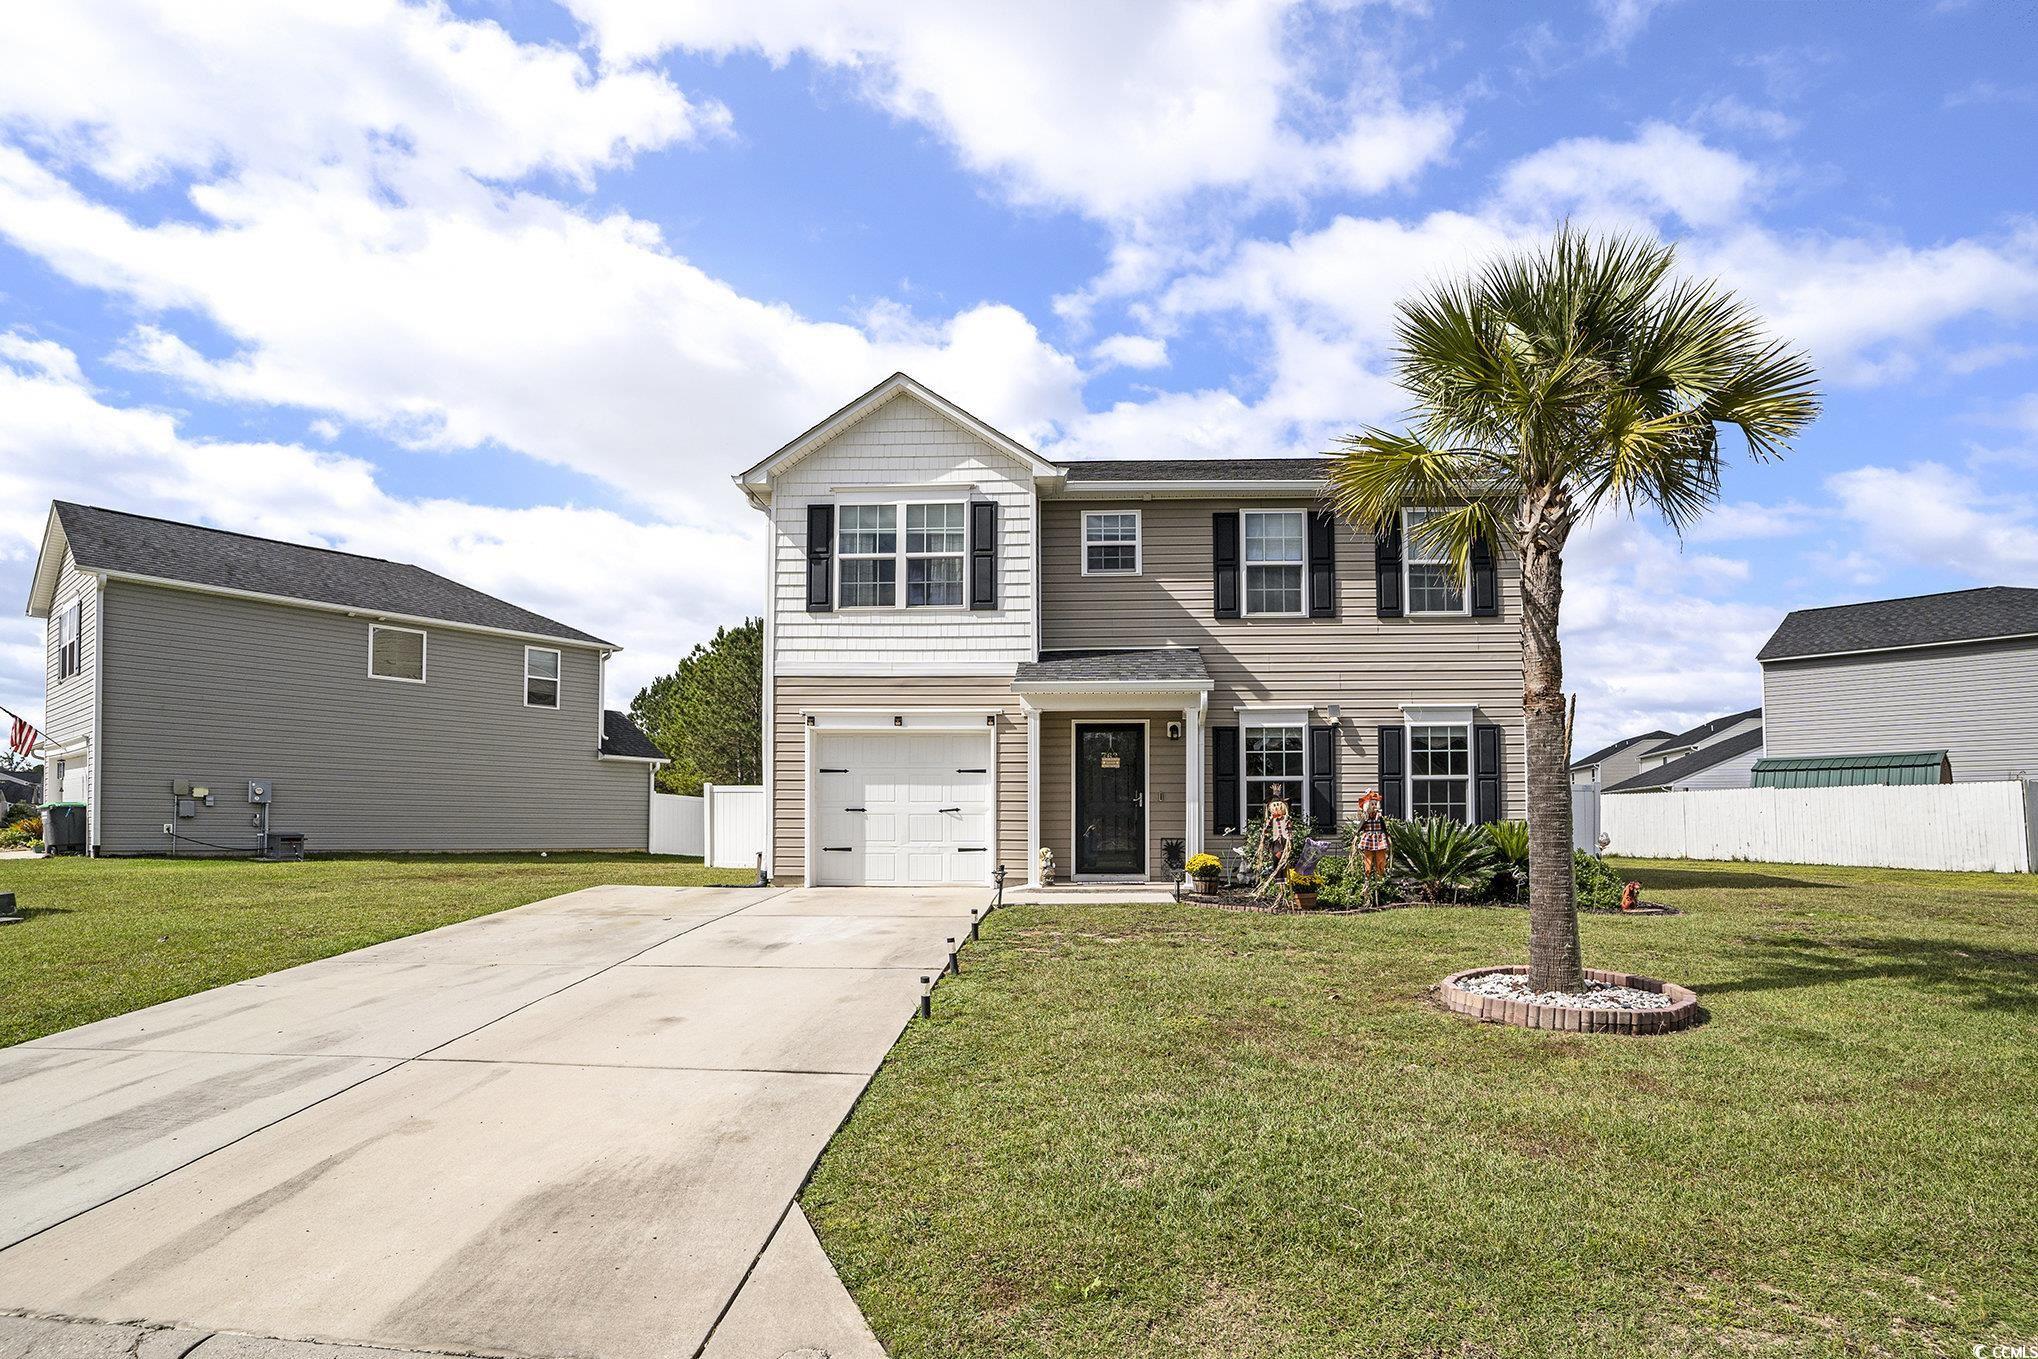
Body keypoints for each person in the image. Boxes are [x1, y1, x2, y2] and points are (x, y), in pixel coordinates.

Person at [1355, 789, 1390, 879]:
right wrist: (1356, 833)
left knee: (1381, 857)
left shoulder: (1379, 816)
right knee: (1368, 857)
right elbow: (1361, 826)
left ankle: (1381, 875)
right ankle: (1367, 874)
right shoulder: (1365, 817)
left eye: (1375, 804)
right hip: (1368, 838)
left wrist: (1387, 835)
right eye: (1372, 804)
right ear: (1368, 805)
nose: (1374, 806)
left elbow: (1383, 826)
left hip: (1379, 838)